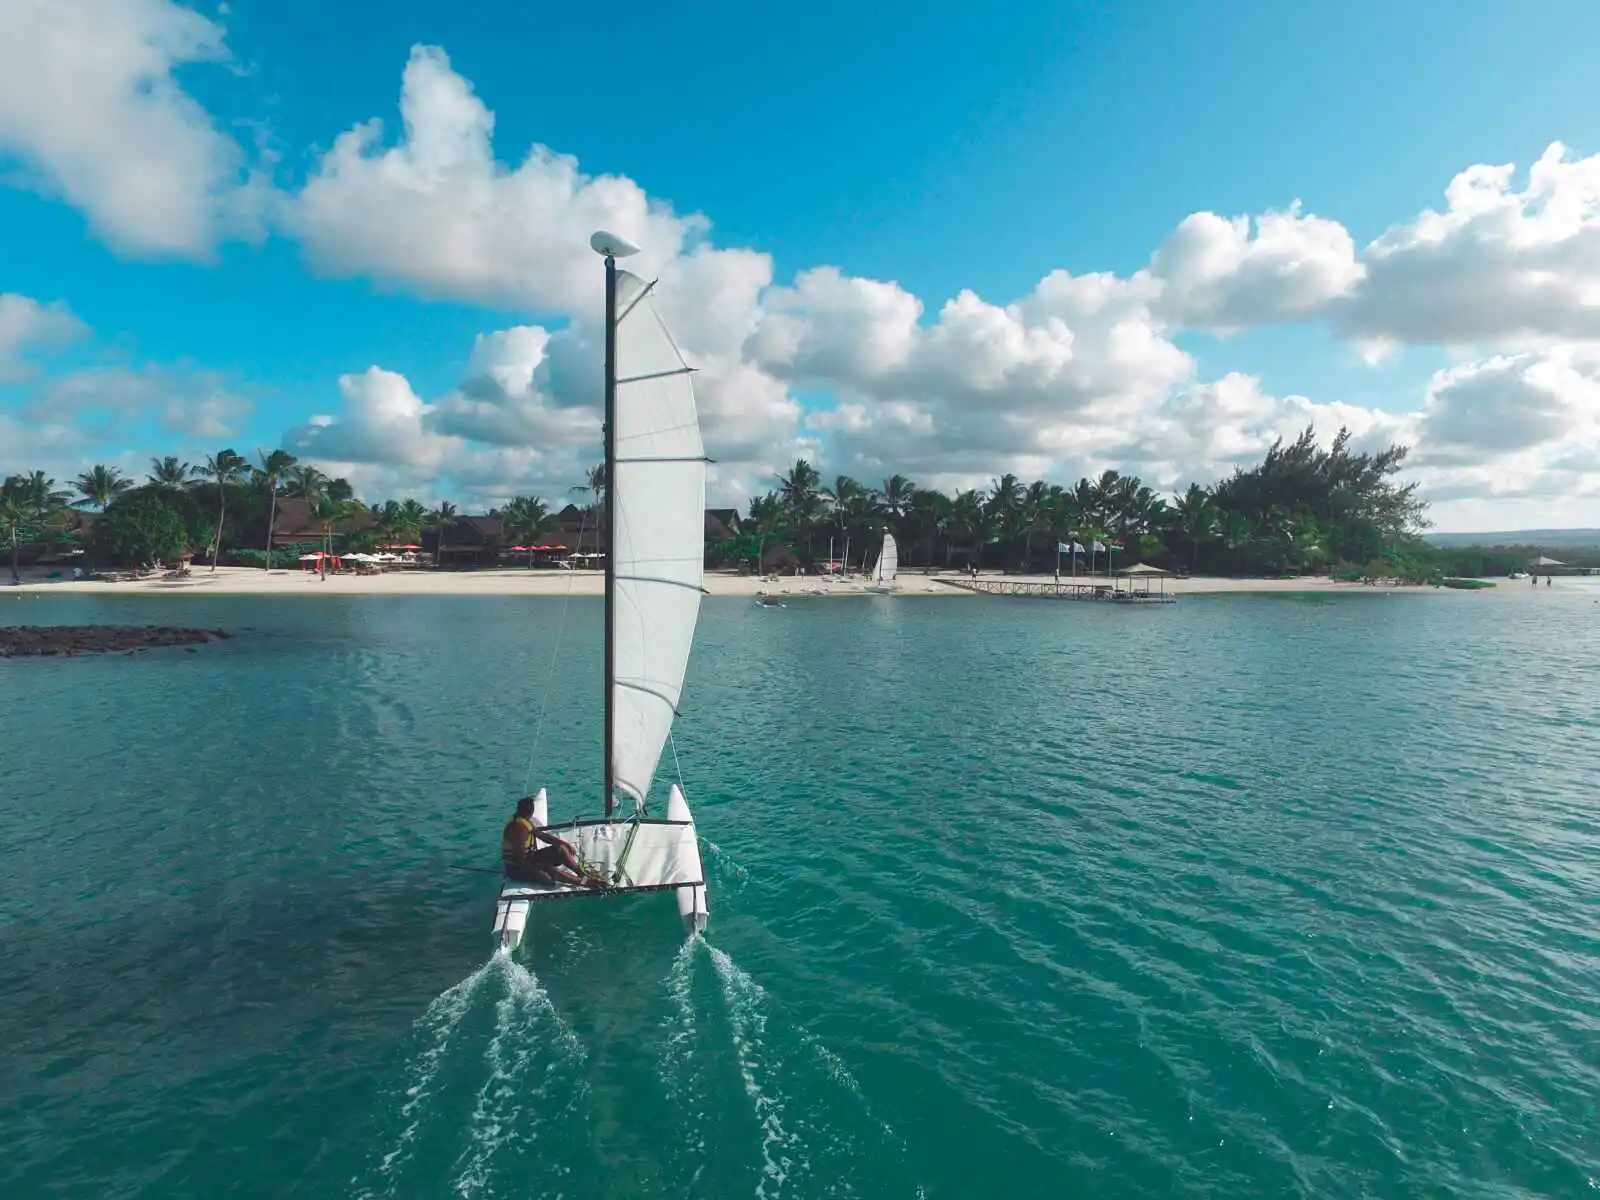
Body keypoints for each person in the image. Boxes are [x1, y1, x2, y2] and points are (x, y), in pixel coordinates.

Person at [500, 796, 608, 888]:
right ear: (531, 811)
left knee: (560, 849)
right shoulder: (517, 829)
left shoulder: (524, 820)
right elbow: (520, 861)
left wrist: (563, 844)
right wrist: (539, 872)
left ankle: (582, 874)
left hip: (530, 858)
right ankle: (586, 882)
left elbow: (542, 835)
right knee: (552, 873)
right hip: (517, 869)